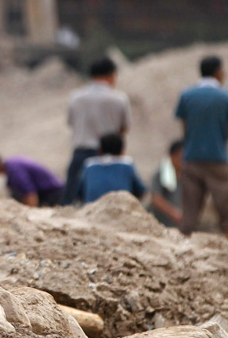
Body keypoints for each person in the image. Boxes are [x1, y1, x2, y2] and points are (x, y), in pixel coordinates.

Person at [175, 55, 228, 243]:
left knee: (190, 215)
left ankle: (182, 249)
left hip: (192, 159)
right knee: (227, 214)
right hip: (218, 159)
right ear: (218, 72)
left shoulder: (186, 95)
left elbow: (184, 128)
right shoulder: (227, 97)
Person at [62, 57, 131, 205]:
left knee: (71, 201)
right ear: (111, 75)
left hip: (80, 153)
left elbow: (70, 122)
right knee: (110, 204)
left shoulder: (76, 97)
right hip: (108, 157)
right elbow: (124, 128)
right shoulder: (119, 99)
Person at [0, 147, 64, 207]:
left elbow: (30, 195)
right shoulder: (12, 167)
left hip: (55, 196)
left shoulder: (14, 169)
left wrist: (31, 216)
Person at [77, 133, 146, 204]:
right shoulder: (127, 164)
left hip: (93, 208)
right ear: (122, 150)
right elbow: (141, 191)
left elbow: (79, 192)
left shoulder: (89, 165)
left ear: (100, 150)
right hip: (121, 208)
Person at [148, 140, 184, 227]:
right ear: (173, 156)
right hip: (160, 224)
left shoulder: (186, 175)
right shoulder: (162, 173)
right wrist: (174, 213)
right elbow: (156, 198)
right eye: (181, 157)